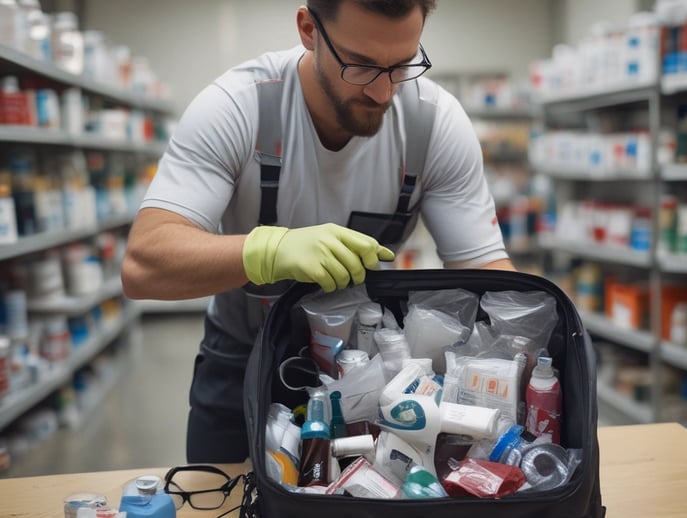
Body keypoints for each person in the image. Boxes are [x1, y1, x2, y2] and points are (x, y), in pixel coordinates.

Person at [121, 0, 516, 464]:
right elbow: (143, 265)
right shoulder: (239, 106)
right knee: (220, 509)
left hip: (370, 370)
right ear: (309, 29)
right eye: (362, 66)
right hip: (244, 357)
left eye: (401, 65)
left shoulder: (433, 124)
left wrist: (535, 340)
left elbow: (486, 271)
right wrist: (269, 249)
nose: (384, 93)